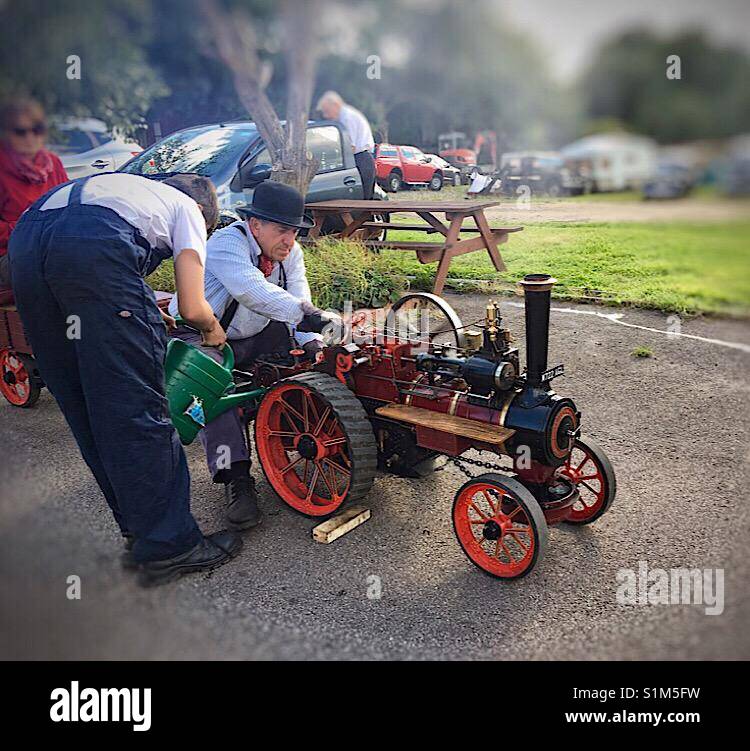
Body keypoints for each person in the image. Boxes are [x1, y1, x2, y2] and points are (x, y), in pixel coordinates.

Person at [8, 171, 242, 587]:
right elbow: (193, 306)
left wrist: (139, 309)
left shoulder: (126, 188)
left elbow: (79, 261)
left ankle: (141, 531)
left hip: (26, 244)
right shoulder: (187, 208)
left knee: (85, 407)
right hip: (91, 245)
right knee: (135, 410)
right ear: (207, 215)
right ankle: (172, 547)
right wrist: (211, 330)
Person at [169, 180, 338, 528]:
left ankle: (309, 434)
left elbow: (297, 297)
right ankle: (236, 478)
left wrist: (313, 344)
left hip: (256, 333)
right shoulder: (225, 243)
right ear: (255, 224)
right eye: (282, 230)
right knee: (214, 392)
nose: (289, 240)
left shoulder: (289, 253)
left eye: (294, 231)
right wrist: (310, 315)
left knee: (307, 365)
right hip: (203, 335)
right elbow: (252, 291)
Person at [0, 97, 68, 291]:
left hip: (53, 245)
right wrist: (30, 229)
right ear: (6, 133)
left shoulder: (53, 163)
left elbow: (69, 207)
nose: (30, 137)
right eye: (20, 131)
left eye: (37, 129)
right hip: (11, 254)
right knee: (64, 265)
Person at [316, 91, 376, 199]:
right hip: (359, 159)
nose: (326, 115)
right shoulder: (344, 116)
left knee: (363, 203)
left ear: (335, 105)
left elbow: (349, 147)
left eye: (327, 111)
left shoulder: (347, 118)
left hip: (361, 160)